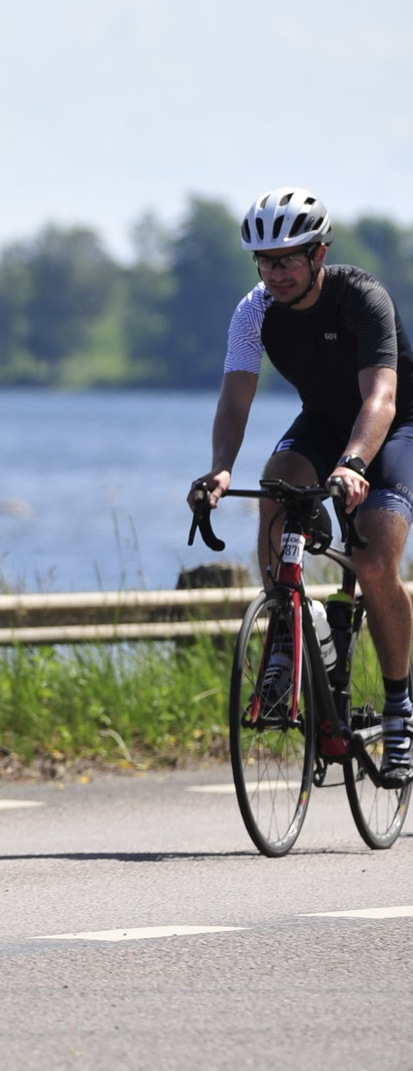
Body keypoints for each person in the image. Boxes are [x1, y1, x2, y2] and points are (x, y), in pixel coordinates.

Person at [188, 187, 413, 786]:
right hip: (322, 421)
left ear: (319, 255)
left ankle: (399, 712)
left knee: (374, 559)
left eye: (287, 259)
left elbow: (381, 398)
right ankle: (286, 638)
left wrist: (354, 464)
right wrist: (220, 467)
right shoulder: (253, 311)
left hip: (393, 428)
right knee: (276, 489)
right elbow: (235, 397)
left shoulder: (362, 298)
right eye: (264, 262)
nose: (275, 273)